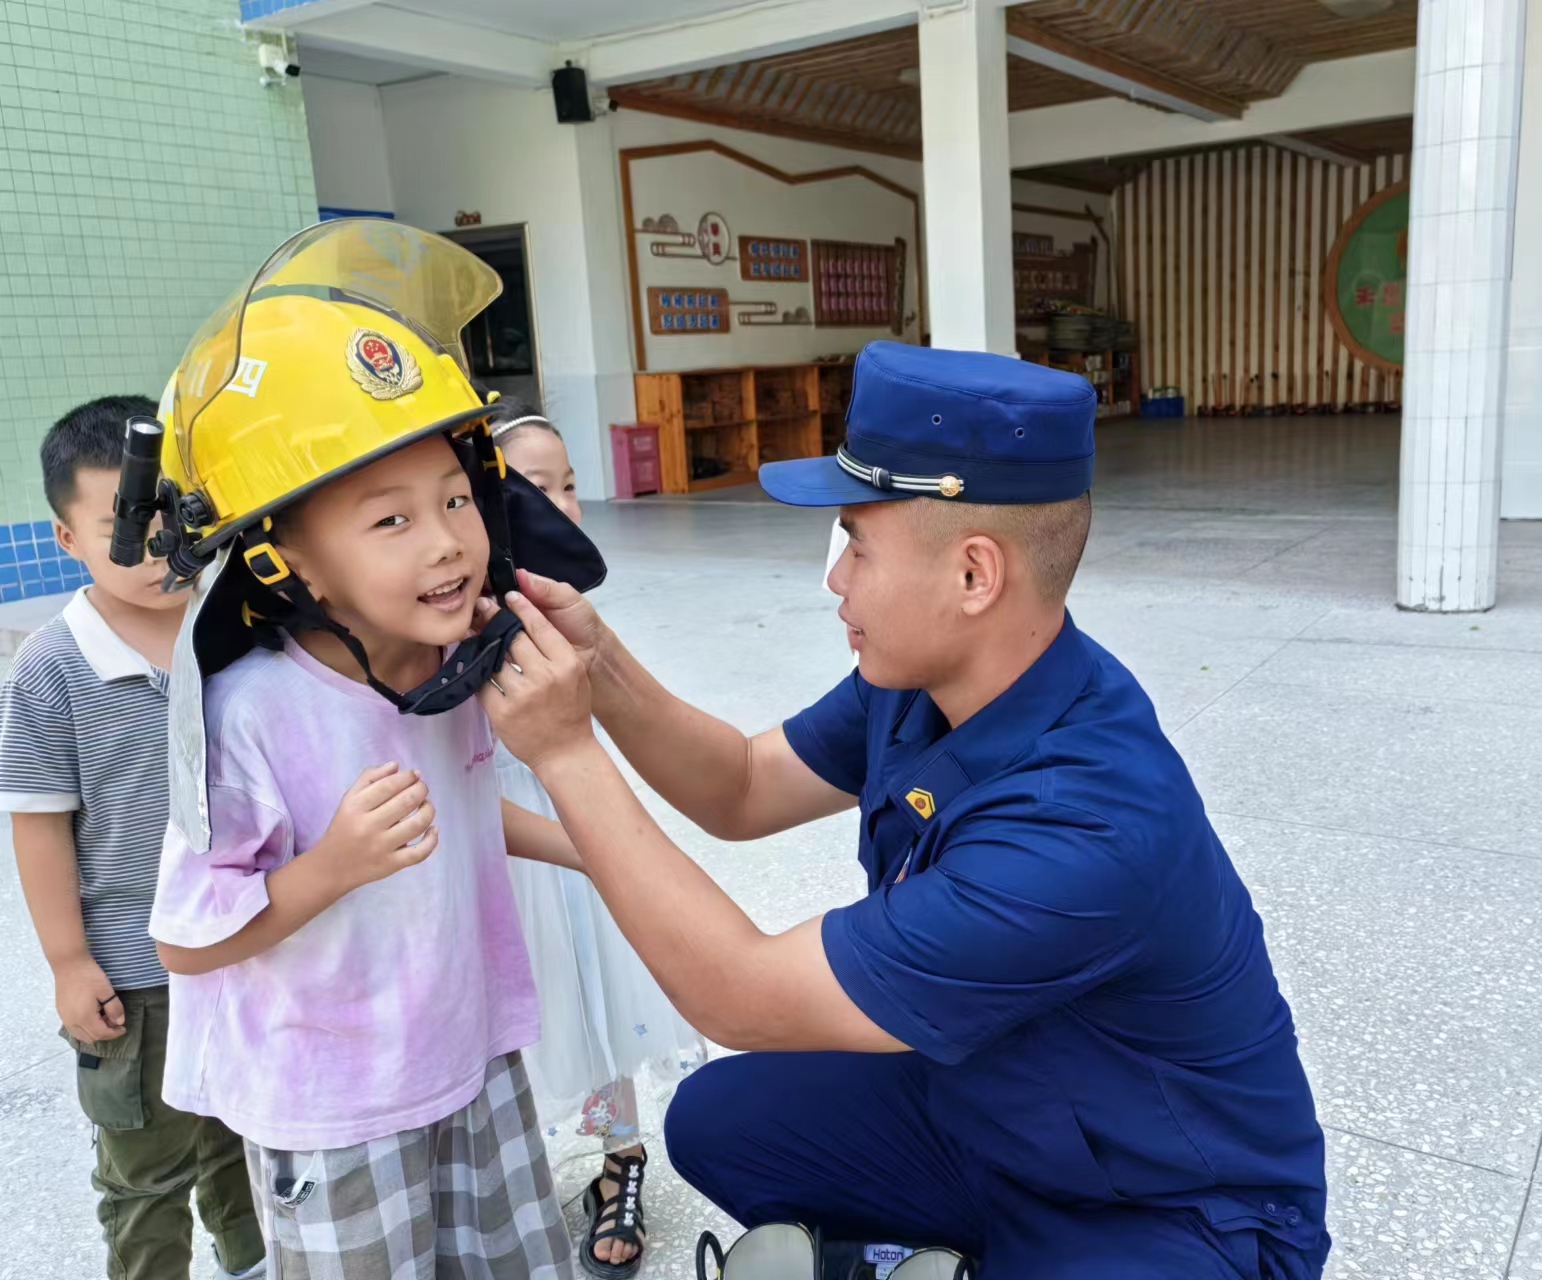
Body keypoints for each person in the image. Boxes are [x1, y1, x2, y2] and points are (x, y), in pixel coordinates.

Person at [475, 341, 1331, 1280]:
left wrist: (562, 753)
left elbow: (741, 995)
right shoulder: (929, 682)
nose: (836, 581)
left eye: (856, 543)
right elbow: (742, 786)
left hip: (1166, 1205)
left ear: (974, 576)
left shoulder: (1088, 823)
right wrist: (597, 665)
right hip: (994, 1111)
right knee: (722, 1121)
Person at [144, 220, 605, 1277]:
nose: (447, 538)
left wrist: (590, 842)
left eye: (454, 498)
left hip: (469, 1055)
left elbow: (461, 809)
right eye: (388, 520)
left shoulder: (450, 673)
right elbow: (185, 941)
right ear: (288, 557)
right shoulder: (253, 711)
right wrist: (329, 867)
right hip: (334, 1103)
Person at [0, 396, 264, 1279]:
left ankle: (252, 1260)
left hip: (248, 944)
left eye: (166, 516)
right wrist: (71, 964)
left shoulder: (237, 625)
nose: (154, 546)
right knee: (147, 1173)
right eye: (120, 524)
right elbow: (37, 826)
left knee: (248, 1137)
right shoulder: (53, 664)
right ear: (67, 538)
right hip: (136, 977)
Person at [489, 398, 707, 1278]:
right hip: (511, 846)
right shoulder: (449, 616)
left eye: (571, 483)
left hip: (576, 817)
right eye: (539, 485)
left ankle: (623, 1160)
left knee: (597, 992)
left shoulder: (561, 604)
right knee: (522, 1004)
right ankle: (512, 1172)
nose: (566, 502)